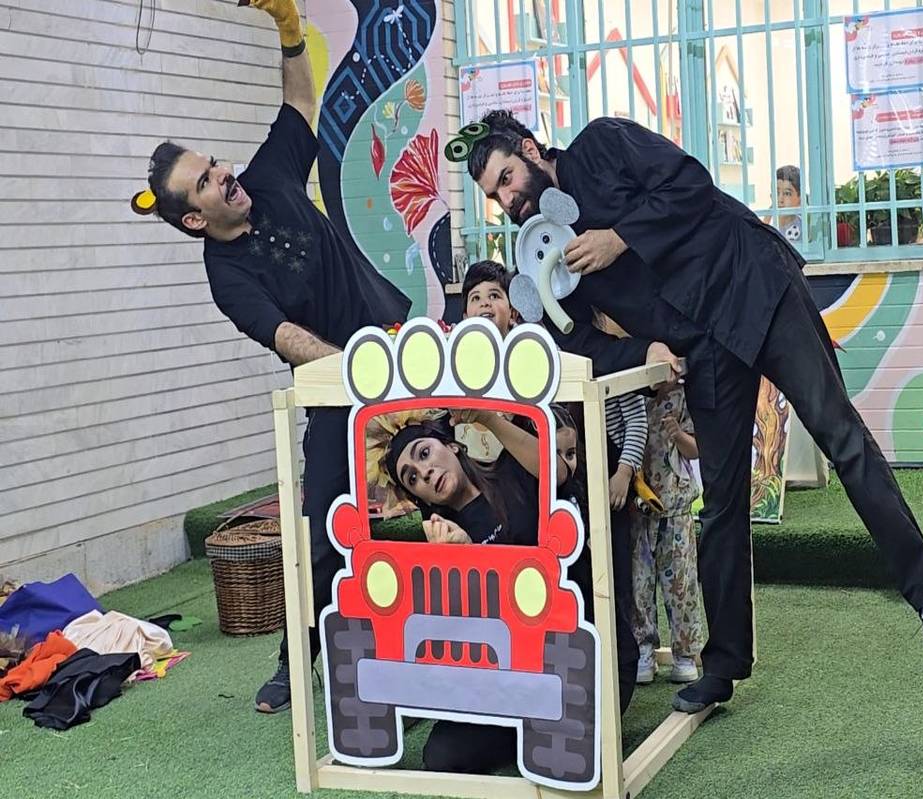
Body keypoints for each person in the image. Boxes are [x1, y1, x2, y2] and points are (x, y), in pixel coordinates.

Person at [465, 109, 923, 715]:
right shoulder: (550, 257)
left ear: (529, 150)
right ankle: (722, 666)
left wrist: (619, 236)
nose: (508, 200)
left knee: (841, 435)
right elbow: (580, 340)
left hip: (753, 284)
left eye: (507, 179)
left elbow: (689, 183)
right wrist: (641, 349)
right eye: (494, 196)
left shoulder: (600, 143)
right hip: (701, 346)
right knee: (722, 502)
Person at [135, 0, 412, 714]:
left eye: (213, 164)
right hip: (336, 384)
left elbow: (299, 104)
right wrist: (355, 373)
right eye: (206, 181)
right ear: (194, 217)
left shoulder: (270, 176)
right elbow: (284, 336)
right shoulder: (227, 277)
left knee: (466, 480)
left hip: (395, 343)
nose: (224, 174)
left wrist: (290, 33)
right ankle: (298, 662)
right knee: (321, 529)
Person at [383, 411, 618, 774]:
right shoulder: (442, 541)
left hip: (583, 655)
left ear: (452, 445)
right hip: (515, 677)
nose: (424, 473)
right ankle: (527, 727)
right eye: (411, 477)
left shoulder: (513, 472)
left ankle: (544, 727)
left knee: (567, 744)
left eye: (424, 454)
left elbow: (556, 472)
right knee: (444, 755)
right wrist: (456, 567)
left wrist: (487, 418)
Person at [458, 263, 642, 706]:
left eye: (494, 295)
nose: (485, 304)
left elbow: (556, 469)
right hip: (506, 541)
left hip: (562, 528)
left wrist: (490, 419)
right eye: (475, 298)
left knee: (594, 612)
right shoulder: (454, 378)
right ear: (463, 317)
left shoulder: (538, 365)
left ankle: (607, 685)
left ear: (513, 312)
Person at [631, 384, 703, 685]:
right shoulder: (631, 395)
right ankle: (643, 649)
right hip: (638, 508)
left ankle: (685, 654)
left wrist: (678, 434)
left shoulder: (683, 396)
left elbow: (696, 448)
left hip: (675, 507)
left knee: (681, 585)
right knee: (639, 584)